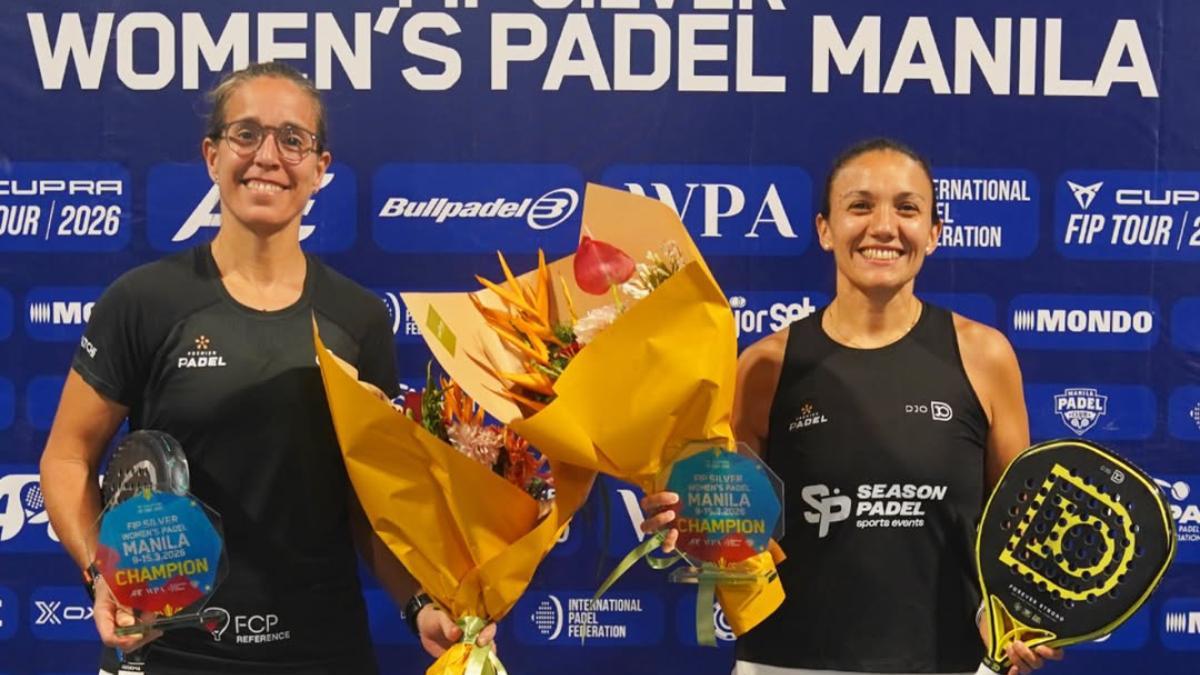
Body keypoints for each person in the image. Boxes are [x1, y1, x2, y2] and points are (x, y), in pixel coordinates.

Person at [38, 62, 491, 675]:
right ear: (211, 155)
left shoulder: (357, 318)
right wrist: (103, 576)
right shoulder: (143, 301)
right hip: (168, 649)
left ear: (319, 168)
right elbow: (67, 457)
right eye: (245, 134)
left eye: (293, 139)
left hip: (322, 652)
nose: (268, 156)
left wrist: (419, 607)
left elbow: (370, 506)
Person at [640, 138, 1064, 675]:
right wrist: (686, 517)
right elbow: (735, 530)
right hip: (787, 662)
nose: (883, 227)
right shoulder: (765, 365)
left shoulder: (985, 356)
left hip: (947, 662)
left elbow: (1017, 527)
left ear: (934, 233)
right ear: (825, 229)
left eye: (907, 208)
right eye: (860, 206)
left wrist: (1023, 620)